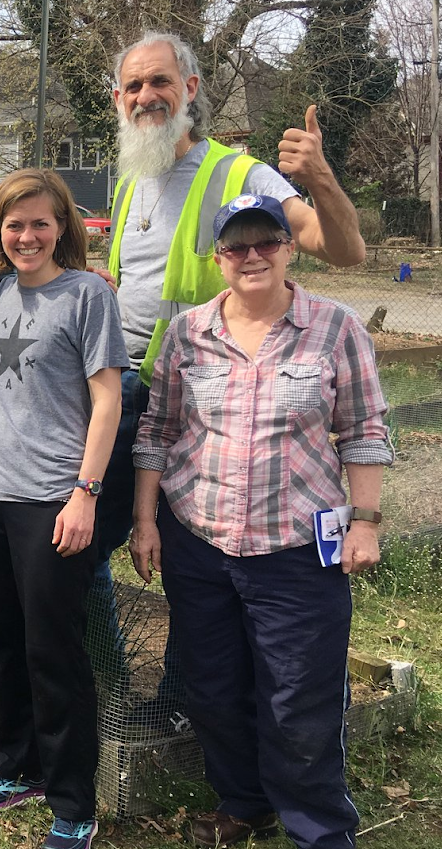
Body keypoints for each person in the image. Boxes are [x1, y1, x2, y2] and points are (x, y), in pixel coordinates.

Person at [92, 30, 369, 702]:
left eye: (160, 82)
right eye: (133, 87)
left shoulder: (240, 174)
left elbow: (344, 250)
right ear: (118, 101)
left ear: (189, 89)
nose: (146, 96)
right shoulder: (132, 178)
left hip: (198, 402)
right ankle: (106, 685)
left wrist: (320, 175)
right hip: (119, 396)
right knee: (79, 550)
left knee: (196, 562)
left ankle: (185, 705)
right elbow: (136, 279)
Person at [130, 195, 391, 849]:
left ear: (288, 248)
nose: (252, 257)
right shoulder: (188, 334)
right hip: (200, 540)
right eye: (237, 246)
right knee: (213, 685)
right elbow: (157, 432)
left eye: (265, 242)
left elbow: (364, 429)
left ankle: (320, 838)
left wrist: (364, 520)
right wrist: (147, 521)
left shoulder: (333, 328)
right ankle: (242, 803)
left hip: (294, 549)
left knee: (298, 695)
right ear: (218, 258)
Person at [0, 170, 125, 849]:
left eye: (39, 223)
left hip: (52, 499)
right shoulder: (1, 291)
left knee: (52, 651)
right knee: (1, 640)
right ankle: (21, 766)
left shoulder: (87, 296)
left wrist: (85, 492)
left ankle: (72, 802)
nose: (26, 236)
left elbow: (108, 400)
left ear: (64, 227)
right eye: (13, 224)